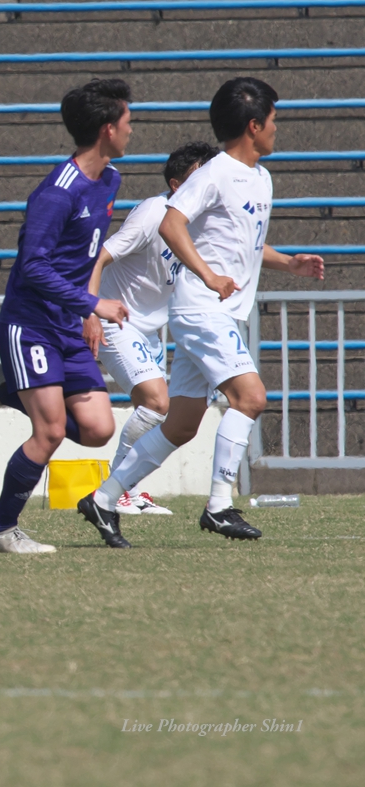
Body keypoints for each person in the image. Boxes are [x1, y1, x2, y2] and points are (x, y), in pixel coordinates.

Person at [78, 77, 325, 548]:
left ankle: (104, 499)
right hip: (200, 309)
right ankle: (218, 506)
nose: (277, 127)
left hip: (220, 312)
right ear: (254, 125)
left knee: (181, 424)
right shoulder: (213, 173)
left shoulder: (261, 177)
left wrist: (289, 262)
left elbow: (244, 244)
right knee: (250, 398)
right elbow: (171, 224)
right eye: (273, 119)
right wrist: (209, 276)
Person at [0, 79, 133, 554]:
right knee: (50, 432)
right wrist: (92, 304)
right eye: (127, 122)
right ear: (107, 129)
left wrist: (86, 308)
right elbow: (33, 267)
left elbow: (85, 255)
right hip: (31, 326)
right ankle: (0, 530)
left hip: (68, 323)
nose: (132, 130)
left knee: (99, 429)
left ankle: (5, 390)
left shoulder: (110, 179)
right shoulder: (57, 193)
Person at [81, 141, 220, 517]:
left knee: (155, 412)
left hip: (149, 330)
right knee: (158, 402)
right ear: (177, 185)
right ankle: (113, 493)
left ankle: (126, 490)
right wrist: (90, 310)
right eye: (200, 175)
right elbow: (98, 257)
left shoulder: (200, 220)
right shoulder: (153, 213)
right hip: (116, 319)